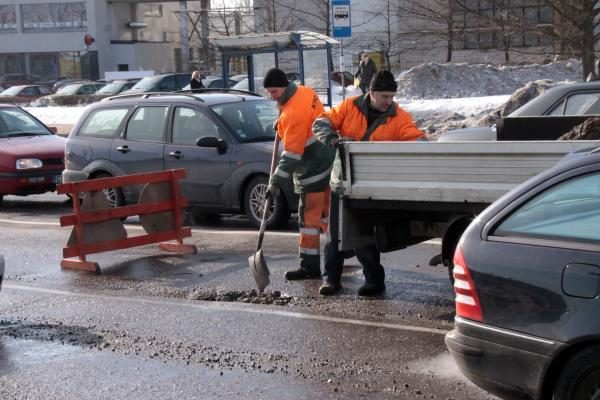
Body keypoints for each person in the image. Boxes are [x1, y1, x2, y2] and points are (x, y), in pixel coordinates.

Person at [313, 70, 427, 296]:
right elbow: (321, 122)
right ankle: (330, 280)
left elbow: (414, 137)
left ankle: (374, 281)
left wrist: (424, 144)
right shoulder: (349, 107)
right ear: (372, 93)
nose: (389, 101)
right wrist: (333, 139)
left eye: (392, 97)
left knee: (363, 234)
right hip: (342, 182)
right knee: (334, 234)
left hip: (369, 186)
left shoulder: (399, 117)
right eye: (385, 96)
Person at [263, 68, 336, 281]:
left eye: (274, 92)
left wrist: (275, 183)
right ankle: (340, 248)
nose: (272, 96)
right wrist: (281, 123)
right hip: (329, 162)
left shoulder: (292, 114)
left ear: (284, 87)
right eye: (269, 92)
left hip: (312, 170)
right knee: (327, 213)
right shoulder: (305, 92)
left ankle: (309, 266)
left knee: (308, 221)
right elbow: (307, 121)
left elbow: (292, 156)